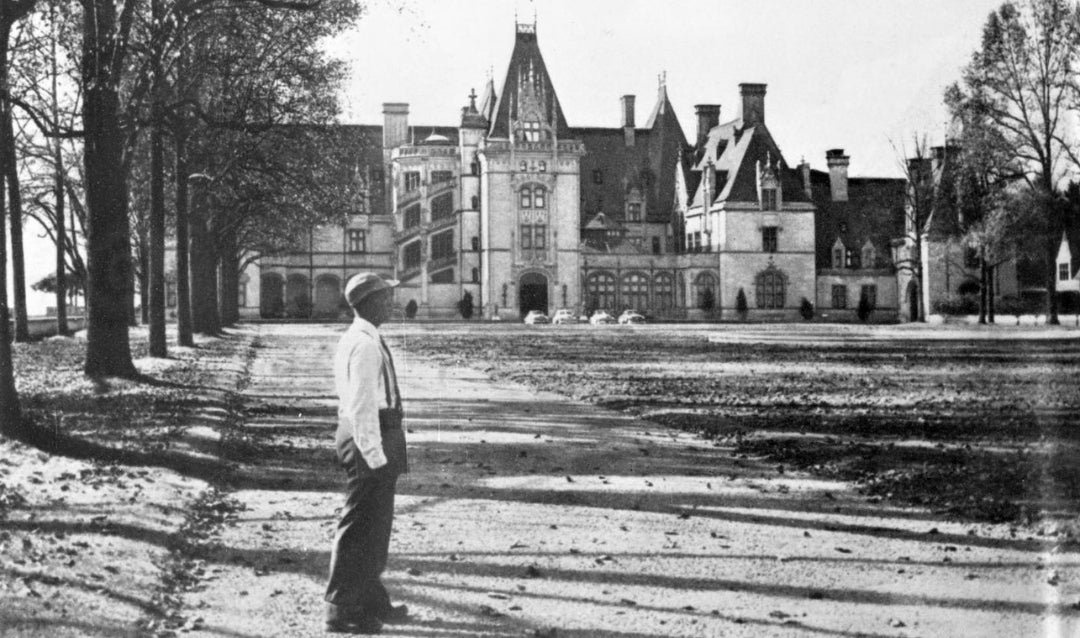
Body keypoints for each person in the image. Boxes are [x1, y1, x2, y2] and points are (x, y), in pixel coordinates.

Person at [325, 272, 409, 634]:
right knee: (359, 527)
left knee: (376, 525)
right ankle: (340, 609)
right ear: (369, 303)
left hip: (376, 433)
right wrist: (374, 456)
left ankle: (372, 598)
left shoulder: (364, 337)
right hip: (368, 436)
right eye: (385, 298)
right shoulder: (364, 344)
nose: (391, 303)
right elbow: (361, 406)